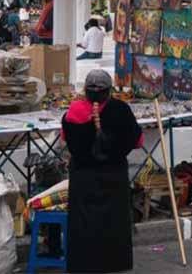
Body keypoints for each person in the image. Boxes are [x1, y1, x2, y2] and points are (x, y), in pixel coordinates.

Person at [62, 69, 144, 273]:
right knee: (113, 222)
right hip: (113, 178)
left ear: (86, 90)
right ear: (109, 91)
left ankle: (84, 264)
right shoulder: (121, 110)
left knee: (84, 223)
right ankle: (114, 263)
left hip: (83, 179)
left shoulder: (73, 112)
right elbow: (138, 141)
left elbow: (65, 139)